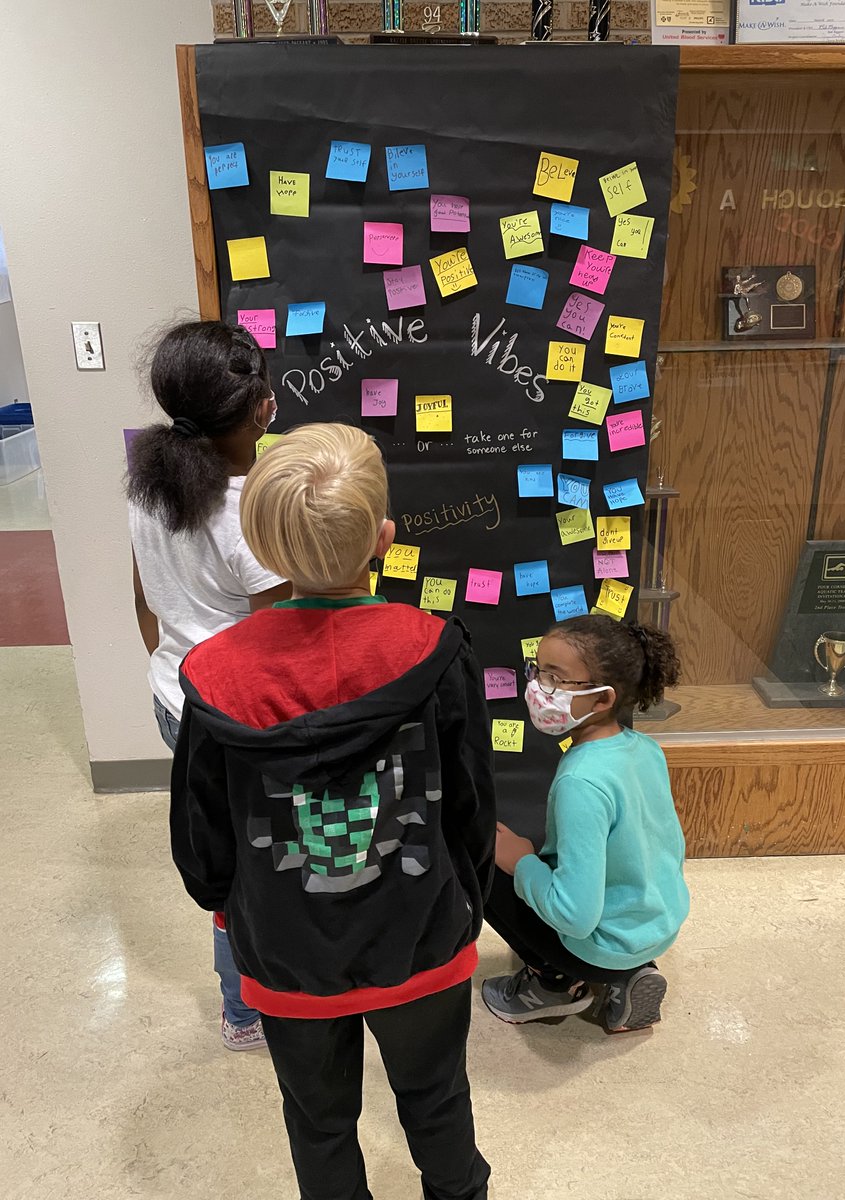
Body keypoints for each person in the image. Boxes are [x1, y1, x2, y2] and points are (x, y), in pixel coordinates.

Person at [169, 423, 494, 1200]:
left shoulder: (213, 676)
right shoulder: (437, 649)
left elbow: (200, 832)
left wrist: (229, 905)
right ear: (384, 537)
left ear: (266, 549)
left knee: (318, 1122)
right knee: (437, 1098)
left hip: (286, 945)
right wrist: (467, 899)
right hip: (420, 932)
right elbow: (473, 800)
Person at [128, 320, 290, 1051]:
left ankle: (244, 1002)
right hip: (237, 713)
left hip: (177, 696)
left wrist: (177, 674)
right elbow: (277, 642)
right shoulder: (248, 510)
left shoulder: (151, 486)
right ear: (261, 407)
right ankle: (247, 1006)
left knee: (225, 849)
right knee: (256, 862)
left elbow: (144, 600)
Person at [481, 614, 689, 1032]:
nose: (538, 689)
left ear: (601, 700)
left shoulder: (582, 780)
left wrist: (520, 863)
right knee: (546, 851)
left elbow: (575, 916)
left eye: (555, 680)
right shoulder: (643, 748)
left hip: (598, 942)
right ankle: (631, 973)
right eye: (537, 671)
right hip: (657, 926)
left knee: (485, 860)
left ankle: (554, 982)